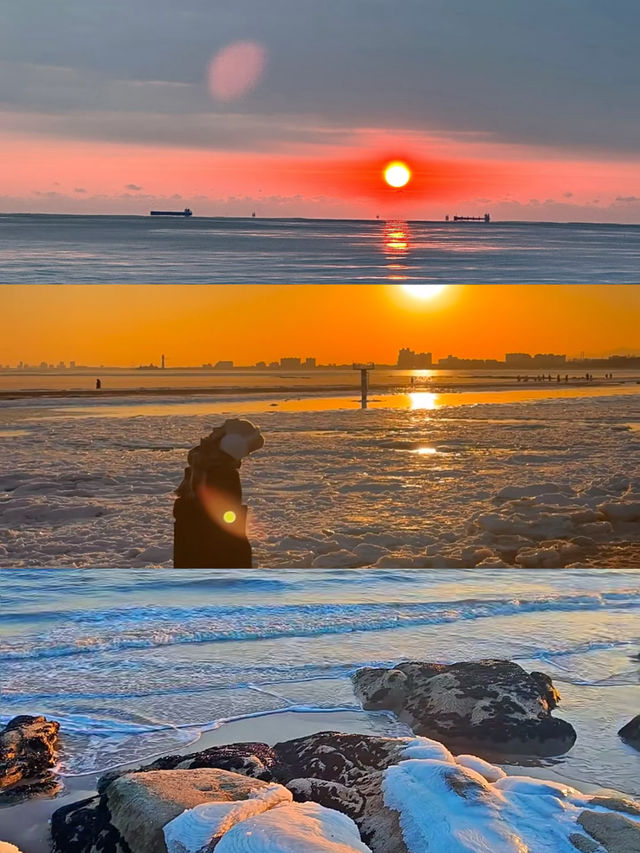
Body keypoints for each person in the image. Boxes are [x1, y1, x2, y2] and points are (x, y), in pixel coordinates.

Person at [173, 419, 264, 568]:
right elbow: (225, 531)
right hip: (213, 560)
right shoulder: (223, 474)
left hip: (193, 557)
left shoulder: (200, 466)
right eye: (246, 450)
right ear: (234, 444)